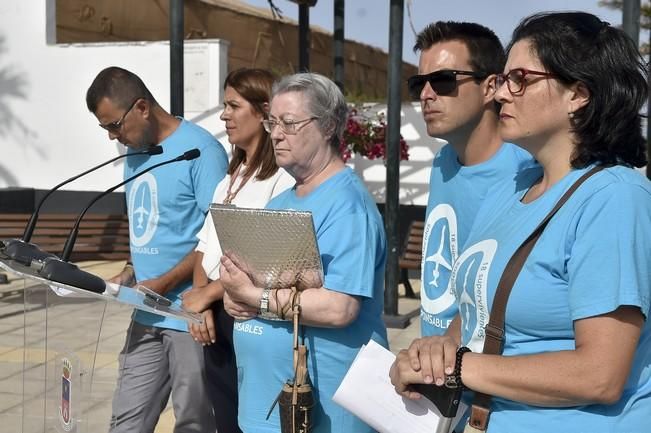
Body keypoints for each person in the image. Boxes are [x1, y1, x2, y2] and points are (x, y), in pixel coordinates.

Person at [391, 12, 651, 433]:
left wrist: (459, 368)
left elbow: (599, 374)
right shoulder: (514, 186)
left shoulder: (614, 197)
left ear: (578, 94)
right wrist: (438, 349)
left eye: (520, 79)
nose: (501, 94)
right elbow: (479, 307)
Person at [218, 72, 387, 432]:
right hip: (268, 405)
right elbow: (255, 282)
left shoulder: (347, 205)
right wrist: (235, 296)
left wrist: (254, 298)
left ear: (327, 127)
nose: (275, 134)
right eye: (273, 122)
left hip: (321, 411)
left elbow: (340, 307)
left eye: (289, 124)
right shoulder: (282, 200)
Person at [86, 66, 228, 433]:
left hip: (189, 318)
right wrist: (131, 271)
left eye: (114, 125)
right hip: (145, 314)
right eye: (105, 129)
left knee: (194, 424)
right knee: (125, 423)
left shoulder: (201, 151)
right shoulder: (135, 150)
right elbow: (152, 226)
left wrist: (165, 282)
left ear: (142, 107)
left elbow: (216, 238)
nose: (112, 137)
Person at [181, 68, 294, 433]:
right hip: (215, 313)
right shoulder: (230, 177)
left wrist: (208, 296)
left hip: (249, 315)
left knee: (254, 419)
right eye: (224, 106)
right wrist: (202, 301)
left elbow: (266, 258)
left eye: (233, 106)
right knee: (225, 417)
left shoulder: (281, 179)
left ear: (264, 113)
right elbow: (205, 248)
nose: (224, 115)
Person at [408, 21, 533, 337]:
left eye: (442, 81)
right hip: (437, 370)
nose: (426, 94)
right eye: (419, 83)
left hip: (485, 370)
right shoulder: (443, 161)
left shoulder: (528, 172)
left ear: (491, 87)